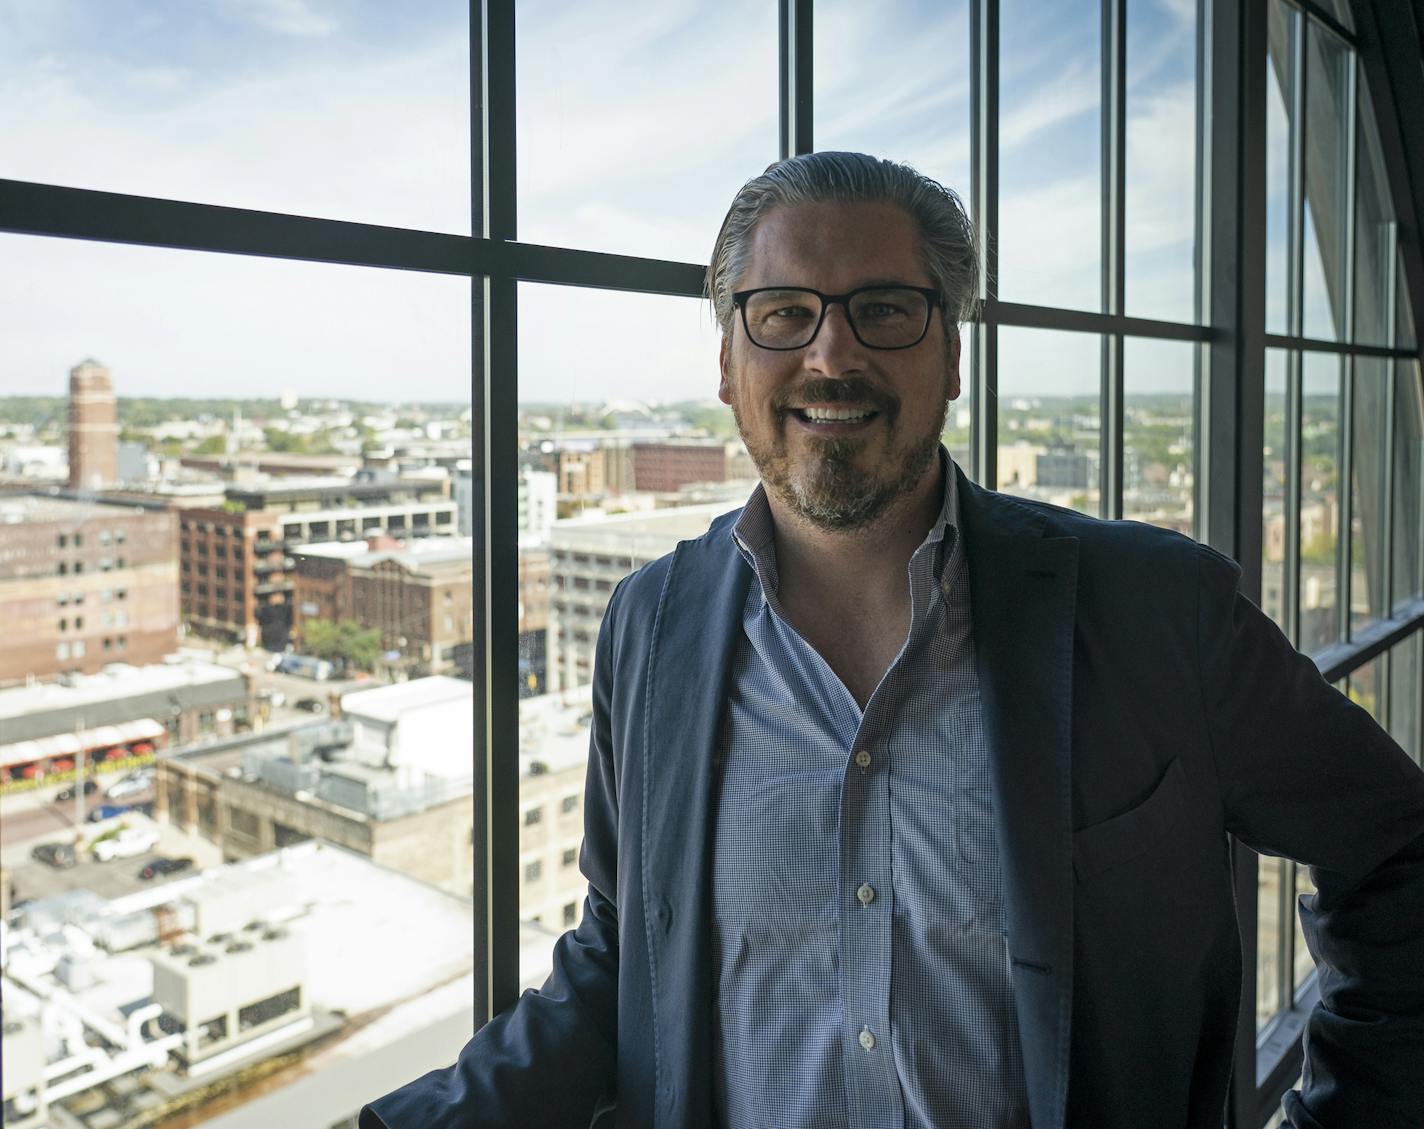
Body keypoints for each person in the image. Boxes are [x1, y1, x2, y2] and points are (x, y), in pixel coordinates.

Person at [361, 152, 1424, 1129]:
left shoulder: (1152, 610)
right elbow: (621, 957)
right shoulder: (648, 625)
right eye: (782, 313)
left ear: (951, 356)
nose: (832, 355)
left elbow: (1397, 848)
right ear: (727, 360)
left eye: (883, 311)